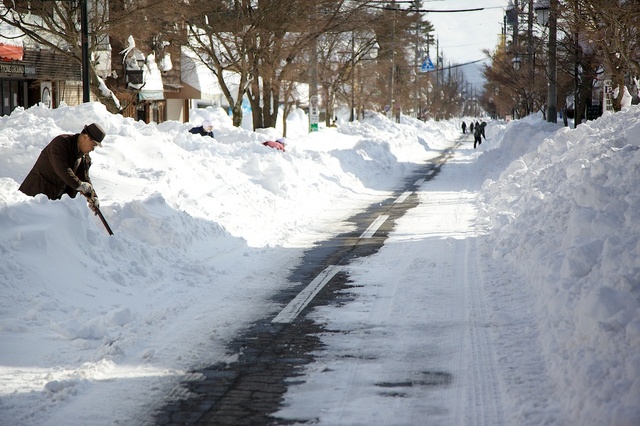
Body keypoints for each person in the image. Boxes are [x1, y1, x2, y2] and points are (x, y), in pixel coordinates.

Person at [19, 123, 105, 213]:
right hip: (35, 196)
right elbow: (62, 169)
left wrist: (93, 196)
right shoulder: (61, 143)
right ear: (85, 137)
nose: (93, 149)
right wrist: (79, 184)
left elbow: (84, 178)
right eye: (94, 144)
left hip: (54, 203)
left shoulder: (84, 157)